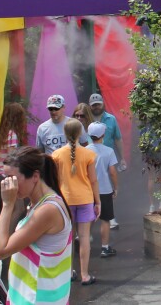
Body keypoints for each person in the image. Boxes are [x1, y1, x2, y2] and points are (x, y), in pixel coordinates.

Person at [0, 146, 73, 303]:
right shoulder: (37, 204)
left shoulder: (47, 210)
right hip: (32, 295)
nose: (8, 184)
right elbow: (8, 241)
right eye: (5, 178)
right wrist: (15, 209)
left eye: (13, 178)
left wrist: (7, 206)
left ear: (35, 176)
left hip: (38, 298)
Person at [52, 119, 100, 286]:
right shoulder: (88, 154)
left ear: (64, 134)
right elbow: (93, 181)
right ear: (81, 133)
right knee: (84, 237)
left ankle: (69, 272)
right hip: (85, 199)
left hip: (66, 200)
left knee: (67, 237)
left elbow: (55, 180)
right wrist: (98, 201)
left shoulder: (56, 155)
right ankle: (85, 275)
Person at [88, 93, 125, 229]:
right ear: (90, 106)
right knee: (91, 185)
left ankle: (110, 217)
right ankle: (89, 220)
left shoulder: (111, 119)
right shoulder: (86, 118)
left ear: (102, 103)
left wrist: (122, 158)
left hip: (108, 156)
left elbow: (118, 138)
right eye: (94, 105)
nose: (96, 107)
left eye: (98, 104)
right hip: (90, 157)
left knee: (107, 186)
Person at [0, 102, 29, 216]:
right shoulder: (12, 135)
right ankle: (9, 233)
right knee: (18, 209)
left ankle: (6, 232)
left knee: (8, 210)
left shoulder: (2, 133)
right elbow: (12, 159)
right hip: (8, 177)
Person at [87, 122, 119, 259]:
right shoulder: (109, 151)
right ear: (103, 135)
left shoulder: (84, 150)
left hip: (88, 189)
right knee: (105, 219)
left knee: (88, 218)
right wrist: (116, 187)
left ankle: (84, 242)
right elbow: (112, 172)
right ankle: (105, 248)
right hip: (105, 189)